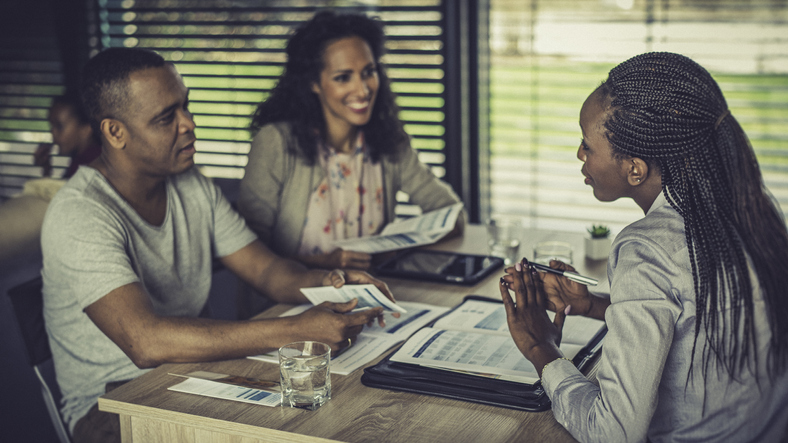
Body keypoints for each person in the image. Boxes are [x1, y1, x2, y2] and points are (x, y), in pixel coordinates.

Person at [41, 47, 396, 443]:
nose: (189, 123)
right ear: (115, 132)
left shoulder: (192, 186)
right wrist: (295, 330)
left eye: (186, 107)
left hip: (194, 374)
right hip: (113, 405)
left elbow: (266, 269)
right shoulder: (80, 213)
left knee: (339, 416)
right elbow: (146, 342)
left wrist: (335, 283)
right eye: (166, 118)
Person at [500, 52, 788, 442]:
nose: (580, 155)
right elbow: (696, 318)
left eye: (587, 145)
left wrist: (540, 346)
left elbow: (613, 432)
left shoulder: (646, 249)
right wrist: (594, 305)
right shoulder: (754, 209)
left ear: (634, 168)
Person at [238, 10, 463, 272]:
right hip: (290, 307)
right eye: (343, 77)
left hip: (372, 299)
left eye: (369, 72)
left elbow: (451, 213)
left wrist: (396, 248)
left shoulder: (390, 140)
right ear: (313, 83)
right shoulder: (275, 143)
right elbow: (248, 252)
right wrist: (323, 264)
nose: (363, 89)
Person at [0, 92, 101, 268]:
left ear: (86, 129)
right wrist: (47, 167)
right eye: (51, 127)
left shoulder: (91, 163)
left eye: (59, 126)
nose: (53, 134)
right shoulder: (81, 157)